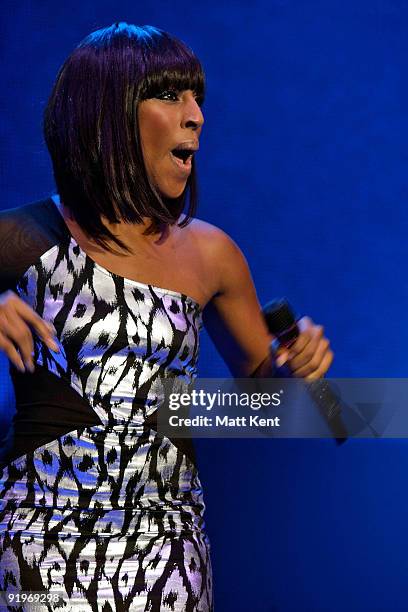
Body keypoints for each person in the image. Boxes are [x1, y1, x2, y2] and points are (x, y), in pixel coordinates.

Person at [0, 22, 333, 611]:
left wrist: (296, 375)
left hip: (170, 555)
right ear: (107, 115)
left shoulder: (211, 252)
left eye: (198, 97)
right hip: (42, 542)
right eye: (171, 95)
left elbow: (271, 409)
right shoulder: (19, 237)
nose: (196, 115)